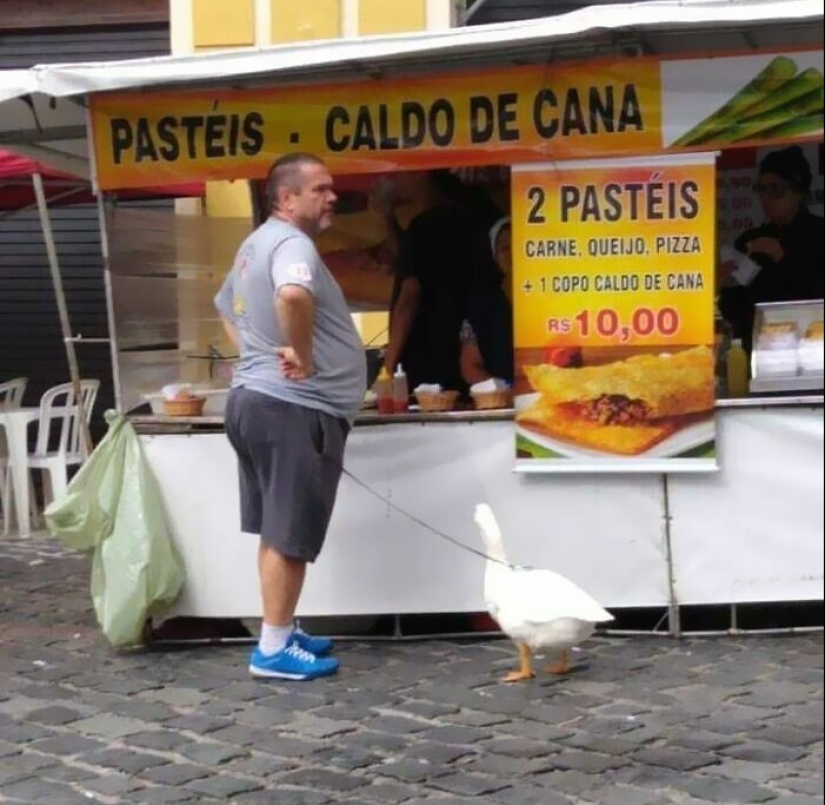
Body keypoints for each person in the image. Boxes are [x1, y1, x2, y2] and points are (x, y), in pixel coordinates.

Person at [214, 153, 367, 681]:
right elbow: (294, 296)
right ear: (286, 198)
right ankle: (273, 650)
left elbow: (224, 306)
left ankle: (279, 629)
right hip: (292, 408)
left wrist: (259, 353)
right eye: (320, 189)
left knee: (277, 529)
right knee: (289, 535)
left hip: (260, 400)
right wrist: (299, 354)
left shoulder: (254, 244)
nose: (332, 197)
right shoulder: (293, 244)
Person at [383, 169, 504, 392]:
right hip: (477, 360)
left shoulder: (424, 226)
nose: (394, 180)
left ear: (421, 175)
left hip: (427, 357)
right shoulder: (481, 217)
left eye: (400, 173)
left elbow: (409, 295)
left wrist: (387, 367)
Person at [719, 145, 824, 353]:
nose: (766, 198)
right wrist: (730, 285)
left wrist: (783, 260)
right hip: (760, 351)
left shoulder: (819, 235)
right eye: (761, 189)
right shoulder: (749, 241)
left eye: (776, 189)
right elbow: (735, 314)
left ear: (798, 192)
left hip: (813, 349)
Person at [460, 216, 515, 387]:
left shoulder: (548, 299)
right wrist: (503, 390)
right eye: (504, 247)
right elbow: (470, 366)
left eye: (518, 244)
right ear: (495, 257)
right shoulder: (483, 304)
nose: (512, 252)